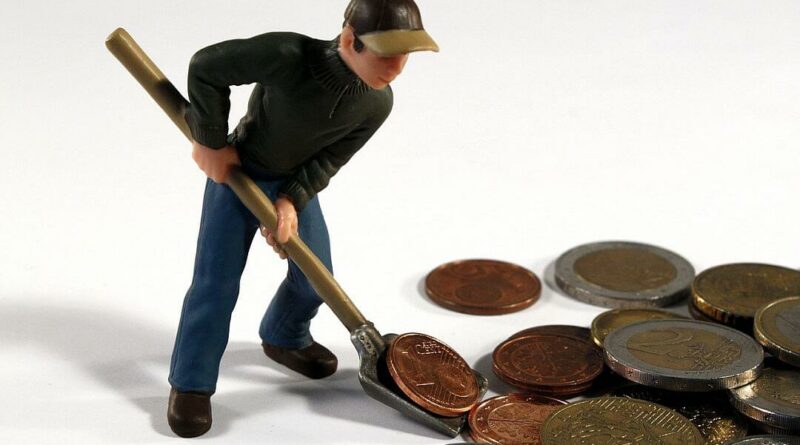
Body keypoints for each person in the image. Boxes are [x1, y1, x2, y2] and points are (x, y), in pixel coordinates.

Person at [166, 0, 438, 438]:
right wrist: (211, 141)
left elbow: (329, 159)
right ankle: (191, 384)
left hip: (291, 185)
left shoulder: (376, 104)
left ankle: (283, 335)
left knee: (316, 280)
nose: (396, 68)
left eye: (405, 55)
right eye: (386, 54)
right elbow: (206, 67)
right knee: (215, 285)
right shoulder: (288, 55)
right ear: (349, 40)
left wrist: (291, 200)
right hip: (237, 174)